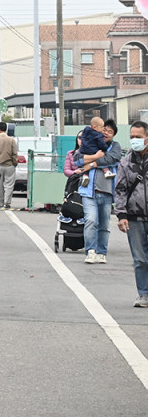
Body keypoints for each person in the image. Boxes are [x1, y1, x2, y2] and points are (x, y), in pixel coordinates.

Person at [80, 119, 123, 264]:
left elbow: (113, 159)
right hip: (89, 192)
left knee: (104, 225)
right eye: (104, 129)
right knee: (91, 220)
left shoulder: (115, 147)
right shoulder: (91, 140)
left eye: (110, 131)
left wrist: (91, 164)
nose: (106, 133)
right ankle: (90, 251)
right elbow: (77, 159)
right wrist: (95, 157)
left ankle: (101, 252)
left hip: (107, 192)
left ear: (114, 135)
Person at [116, 120, 148, 308]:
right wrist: (121, 215)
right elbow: (120, 190)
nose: (135, 140)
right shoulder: (126, 162)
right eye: (132, 137)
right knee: (140, 258)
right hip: (134, 217)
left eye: (138, 137)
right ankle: (143, 294)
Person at [0, 122, 19, 210]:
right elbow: (15, 153)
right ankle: (7, 202)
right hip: (9, 165)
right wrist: (14, 163)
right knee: (9, 185)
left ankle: (0, 203)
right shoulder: (11, 140)